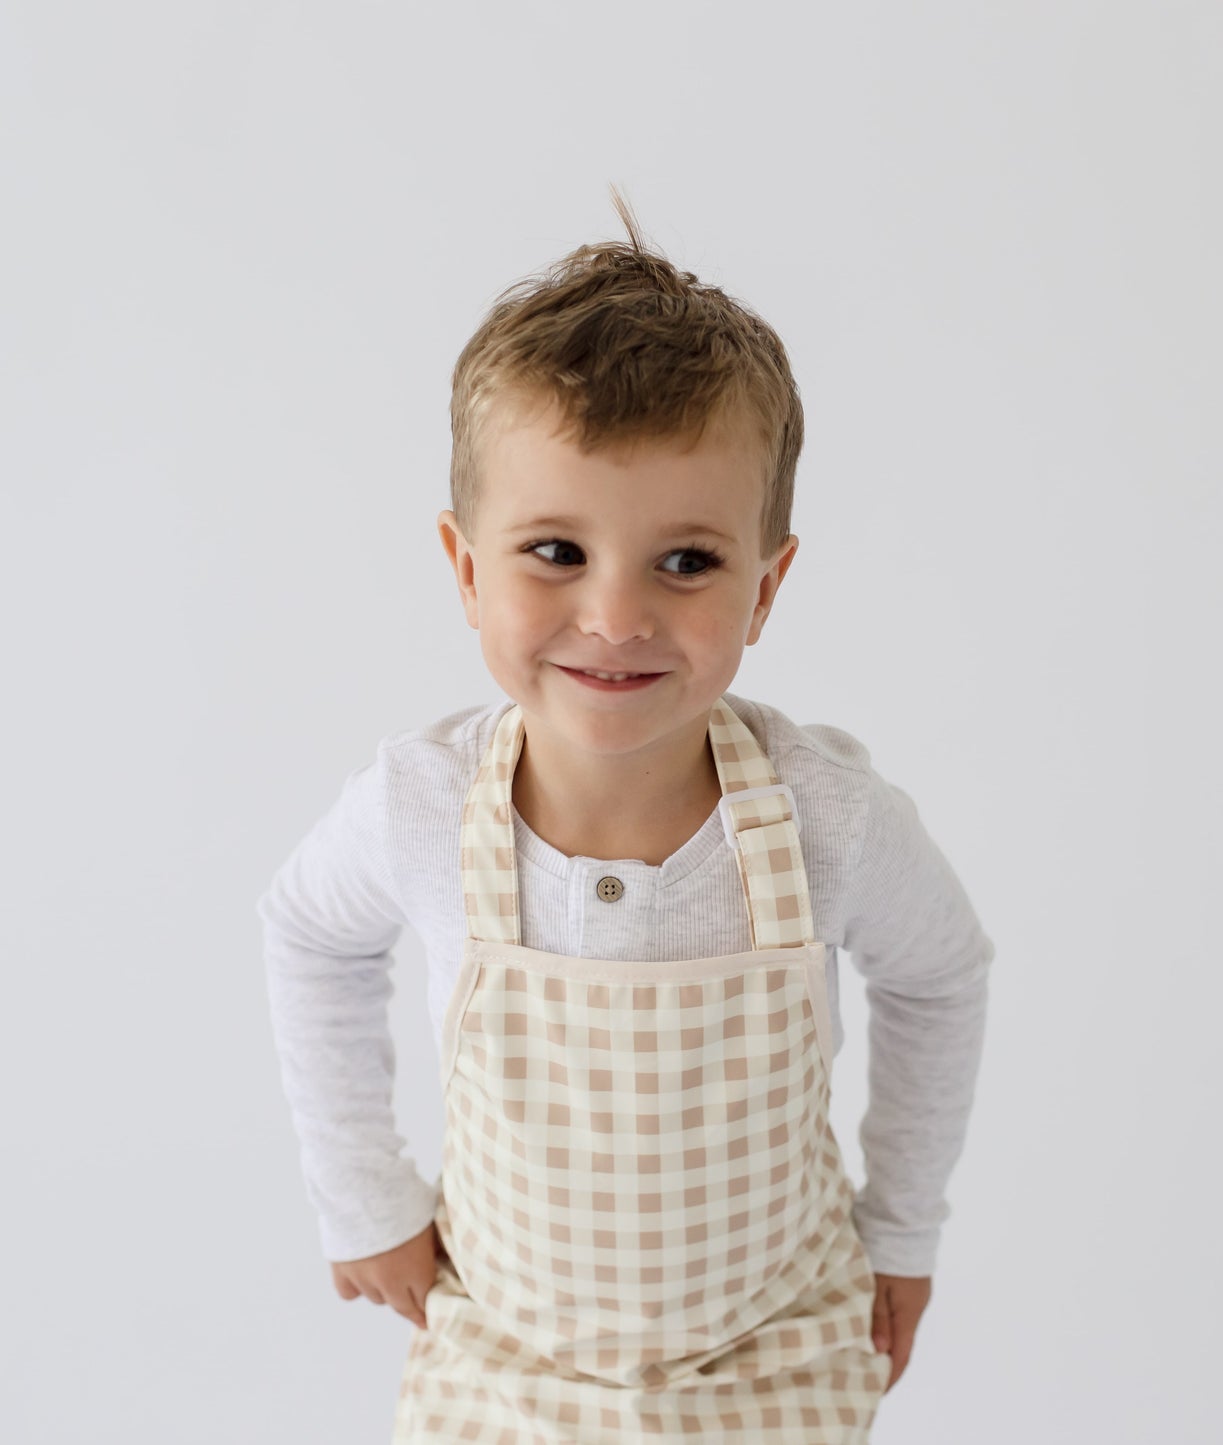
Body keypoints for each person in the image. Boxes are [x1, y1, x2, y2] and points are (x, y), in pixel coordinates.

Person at [258, 186, 994, 1442]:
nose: (613, 615)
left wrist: (900, 1225)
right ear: (463, 566)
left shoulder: (828, 818)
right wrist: (362, 1194)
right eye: (555, 549)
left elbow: (940, 973)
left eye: (687, 561)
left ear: (764, 588)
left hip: (771, 1350)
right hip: (505, 1352)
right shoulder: (422, 806)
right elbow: (309, 932)